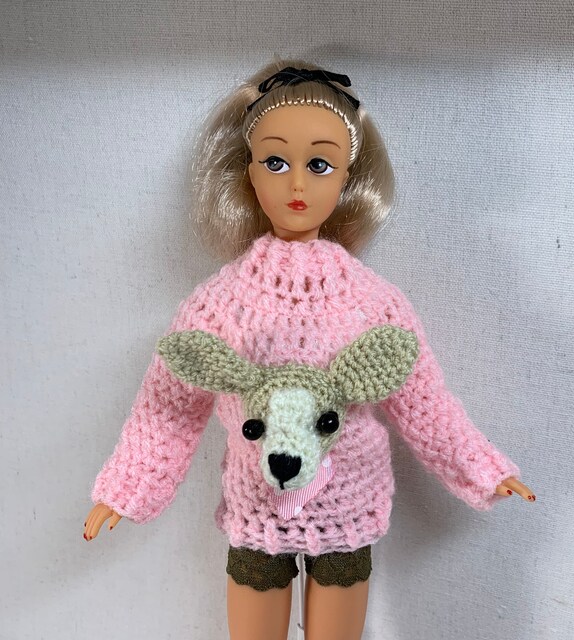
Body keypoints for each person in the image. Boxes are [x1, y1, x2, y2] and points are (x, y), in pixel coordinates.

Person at [84, 61, 534, 640]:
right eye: (276, 162)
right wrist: (128, 487)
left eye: (319, 165)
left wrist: (480, 469)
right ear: (249, 173)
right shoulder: (220, 303)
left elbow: (425, 405)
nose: (297, 185)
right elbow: (169, 406)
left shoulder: (374, 302)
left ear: (347, 178)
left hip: (348, 507)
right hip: (256, 506)